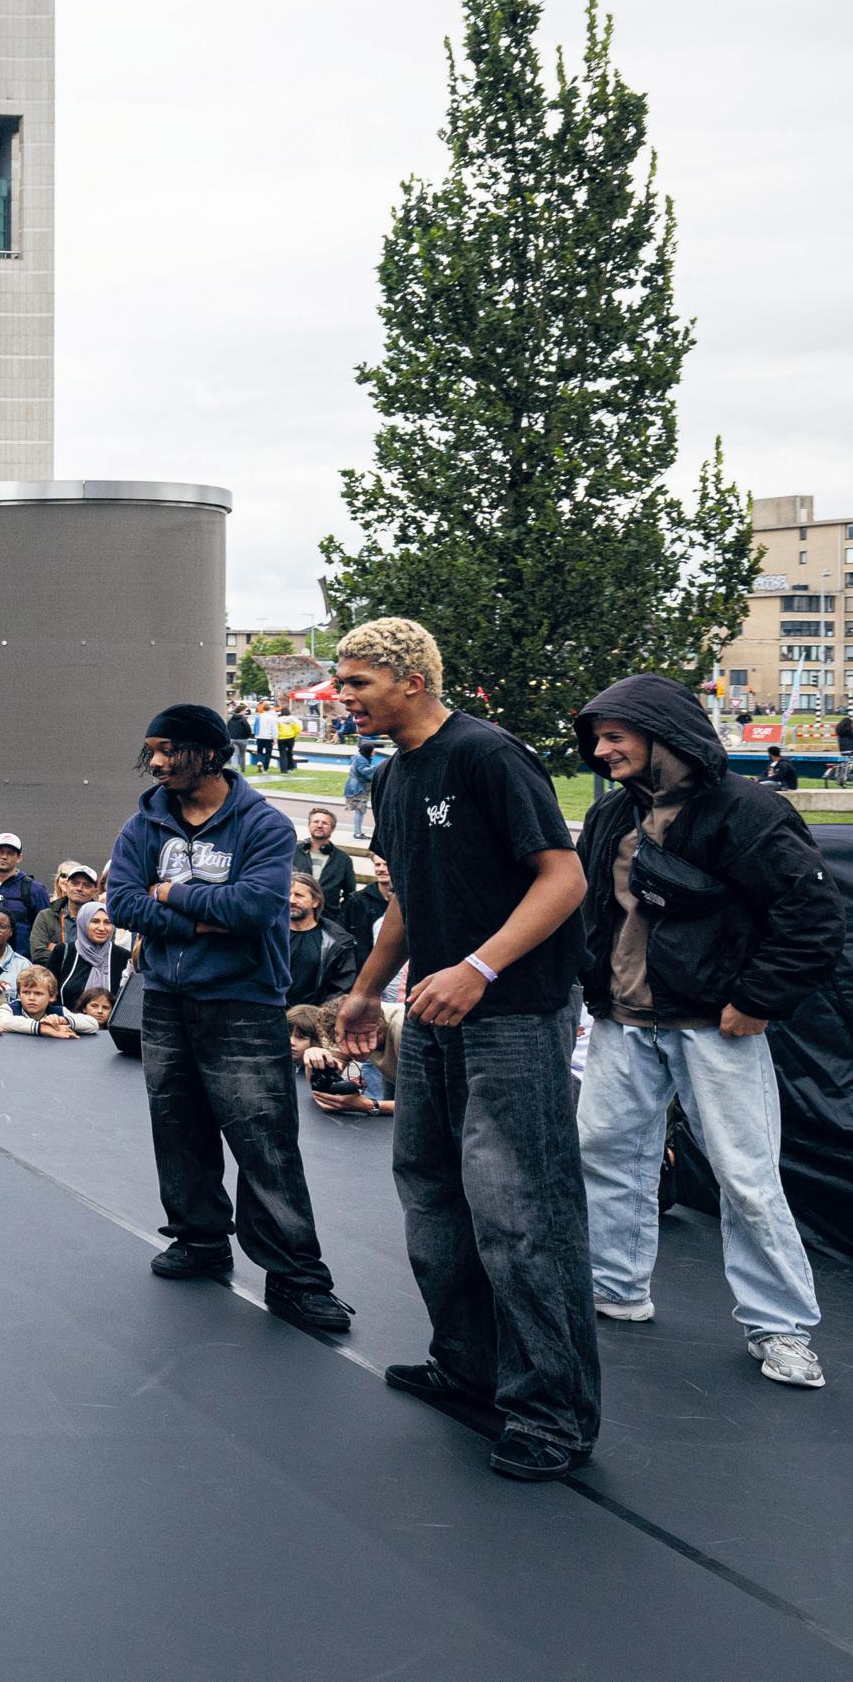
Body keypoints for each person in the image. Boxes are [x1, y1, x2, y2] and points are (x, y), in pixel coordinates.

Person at [332, 619, 598, 1482]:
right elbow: (409, 898)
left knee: (520, 1213)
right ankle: (467, 1368)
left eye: (358, 681)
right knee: (431, 1192)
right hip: (434, 1014)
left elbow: (564, 878)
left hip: (512, 1014)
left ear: (411, 680)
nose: (342, 695)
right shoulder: (393, 775)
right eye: (341, 680)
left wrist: (478, 967)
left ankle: (552, 1412)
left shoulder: (487, 754)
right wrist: (366, 988)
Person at [572, 674, 840, 1390]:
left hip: (715, 1027)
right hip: (623, 1021)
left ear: (660, 734)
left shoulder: (746, 810)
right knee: (604, 1152)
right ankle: (614, 1286)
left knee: (745, 1176)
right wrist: (593, 987)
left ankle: (780, 1325)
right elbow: (593, 910)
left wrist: (756, 999)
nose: (601, 751)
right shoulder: (610, 815)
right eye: (596, 739)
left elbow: (812, 914)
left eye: (615, 736)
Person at [106, 702, 352, 1338]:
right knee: (178, 1125)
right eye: (152, 750)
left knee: (264, 1138)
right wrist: (200, 920)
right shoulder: (143, 825)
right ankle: (200, 1240)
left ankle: (297, 1277)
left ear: (210, 753)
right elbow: (123, 902)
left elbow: (254, 908)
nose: (156, 762)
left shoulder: (262, 825)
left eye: (169, 750)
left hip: (244, 1001)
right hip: (165, 997)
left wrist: (171, 893)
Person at [285, 877, 357, 1008]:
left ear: (315, 902)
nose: (291, 900)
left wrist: (320, 1013)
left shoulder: (336, 941)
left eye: (299, 895)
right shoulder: (271, 934)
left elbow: (342, 987)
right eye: (288, 894)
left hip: (314, 1016)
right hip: (271, 1013)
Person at [49, 901, 130, 1012]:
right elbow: (49, 992)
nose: (102, 928)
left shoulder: (123, 957)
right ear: (83, 922)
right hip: (66, 1021)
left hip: (111, 1023)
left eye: (107, 922)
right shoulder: (63, 952)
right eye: (95, 921)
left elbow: (128, 999)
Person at [0, 834, 49, 957]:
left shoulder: (36, 889)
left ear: (19, 857)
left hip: (23, 961)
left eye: (10, 853)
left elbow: (45, 931)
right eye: (0, 852)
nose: (4, 856)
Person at [292, 807, 357, 926]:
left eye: (325, 823)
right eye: (316, 822)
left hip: (328, 920)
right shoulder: (293, 853)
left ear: (332, 829)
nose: (319, 825)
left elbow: (350, 894)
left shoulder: (343, 860)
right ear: (309, 825)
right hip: (293, 917)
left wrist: (340, 918)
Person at [0, 964, 98, 1036]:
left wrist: (63, 1020)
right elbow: (1, 1022)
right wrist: (41, 1027)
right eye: (26, 992)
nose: (31, 998)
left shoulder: (59, 1012)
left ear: (51, 996)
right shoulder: (8, 1009)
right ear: (19, 994)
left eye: (38, 993)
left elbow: (93, 1024)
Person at [28, 862, 100, 966]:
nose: (79, 888)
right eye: (75, 883)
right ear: (66, 886)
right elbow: (38, 955)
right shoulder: (46, 916)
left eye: (87, 885)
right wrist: (82, 957)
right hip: (53, 974)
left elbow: (101, 956)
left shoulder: (103, 919)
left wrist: (57, 951)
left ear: (95, 891)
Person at [342, 741, 382, 840]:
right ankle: (357, 833)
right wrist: (377, 766)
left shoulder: (361, 758)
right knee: (360, 810)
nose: (374, 752)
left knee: (360, 811)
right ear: (368, 751)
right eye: (373, 751)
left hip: (358, 787)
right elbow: (364, 771)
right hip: (358, 789)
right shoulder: (360, 760)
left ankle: (358, 832)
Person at [251, 702, 278, 773]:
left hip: (259, 736)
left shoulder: (259, 716)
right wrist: (275, 738)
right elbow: (274, 729)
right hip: (269, 737)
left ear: (263, 709)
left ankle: (260, 762)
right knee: (268, 753)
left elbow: (255, 726)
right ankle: (265, 768)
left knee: (259, 751)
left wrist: (255, 735)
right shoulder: (272, 718)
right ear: (269, 709)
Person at [226, 706, 252, 776]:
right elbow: (248, 729)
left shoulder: (231, 719)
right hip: (242, 739)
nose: (245, 712)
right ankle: (243, 768)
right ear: (241, 711)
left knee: (235, 754)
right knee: (242, 755)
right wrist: (247, 736)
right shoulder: (243, 719)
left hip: (233, 738)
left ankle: (234, 768)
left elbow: (228, 728)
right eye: (244, 710)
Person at [276, 711, 301, 775]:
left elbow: (275, 729)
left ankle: (283, 769)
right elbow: (298, 728)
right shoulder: (292, 719)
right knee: (289, 753)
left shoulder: (278, 719)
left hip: (281, 738)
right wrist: (295, 735)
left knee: (282, 754)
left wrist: (276, 737)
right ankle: (290, 768)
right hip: (290, 737)